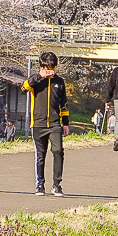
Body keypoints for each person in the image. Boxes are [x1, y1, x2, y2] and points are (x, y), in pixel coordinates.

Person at [23, 51, 69, 196]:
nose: (51, 70)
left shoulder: (60, 82)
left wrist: (66, 123)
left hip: (55, 124)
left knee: (58, 151)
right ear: (42, 67)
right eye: (48, 67)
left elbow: (64, 104)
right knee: (40, 155)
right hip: (38, 123)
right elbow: (23, 88)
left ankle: (57, 184)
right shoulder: (35, 81)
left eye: (53, 67)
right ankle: (40, 184)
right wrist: (39, 77)